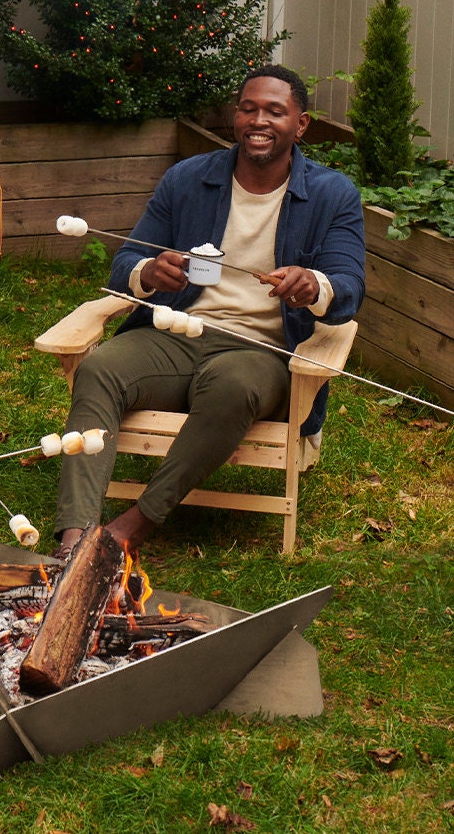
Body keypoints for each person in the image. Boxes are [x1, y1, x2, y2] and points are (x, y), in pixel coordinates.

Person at [54, 65, 366, 557]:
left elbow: (349, 286)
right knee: (100, 368)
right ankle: (73, 536)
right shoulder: (188, 179)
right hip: (176, 333)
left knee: (232, 386)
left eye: (274, 111)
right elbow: (125, 264)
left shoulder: (332, 195)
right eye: (248, 108)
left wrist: (314, 286)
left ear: (300, 125)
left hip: (260, 350)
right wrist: (150, 272)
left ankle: (131, 528)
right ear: (235, 117)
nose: (258, 120)